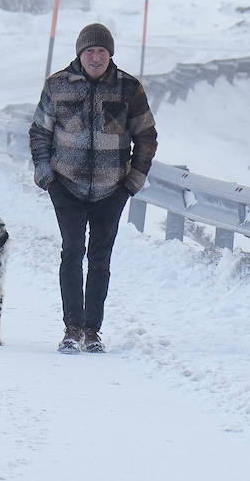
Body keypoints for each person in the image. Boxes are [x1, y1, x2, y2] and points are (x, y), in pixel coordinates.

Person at [29, 22, 158, 353]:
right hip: (66, 186)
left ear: (110, 55)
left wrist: (132, 182)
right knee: (72, 252)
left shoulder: (128, 89)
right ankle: (72, 329)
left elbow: (146, 137)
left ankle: (92, 330)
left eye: (102, 51)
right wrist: (47, 176)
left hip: (111, 189)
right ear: (80, 54)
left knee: (100, 258)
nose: (96, 57)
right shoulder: (57, 86)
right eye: (90, 51)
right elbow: (40, 132)